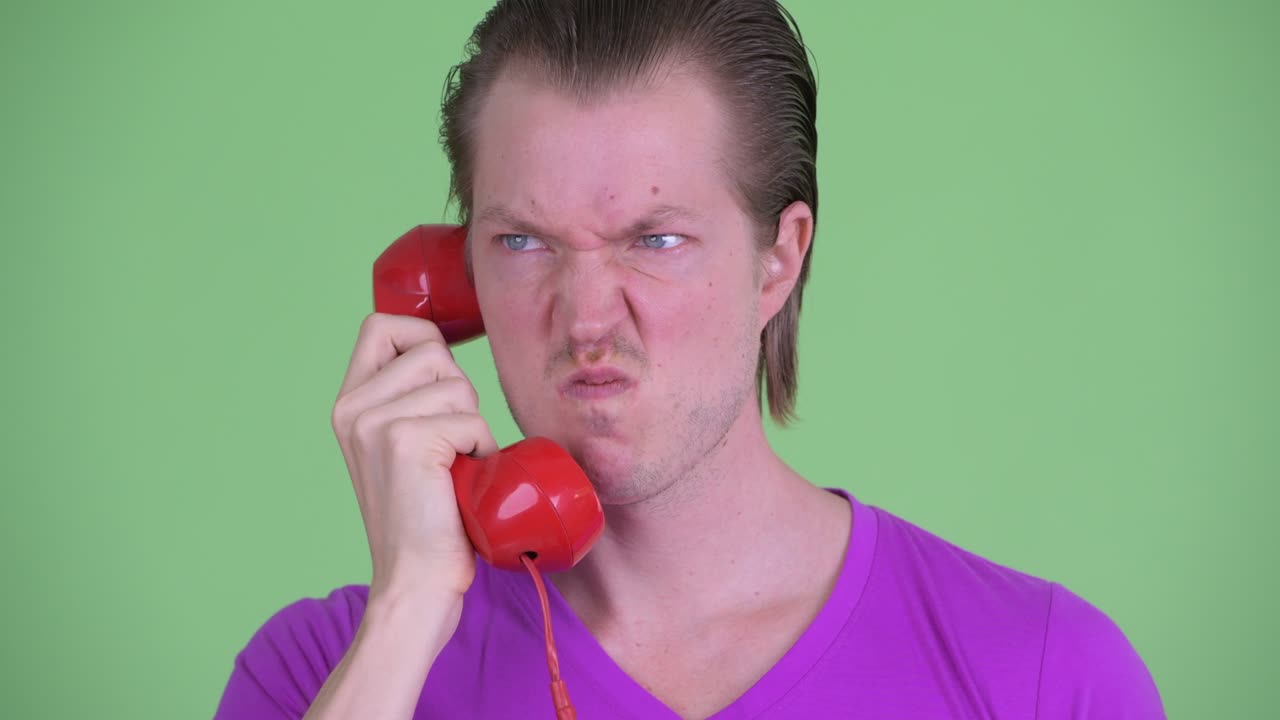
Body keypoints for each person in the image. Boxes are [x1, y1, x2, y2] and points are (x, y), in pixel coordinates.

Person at [214, 1, 1165, 718]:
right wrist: (410, 608)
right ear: (455, 276)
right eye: (523, 243)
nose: (586, 319)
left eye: (656, 240)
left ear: (778, 259)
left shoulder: (1044, 673)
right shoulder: (326, 669)